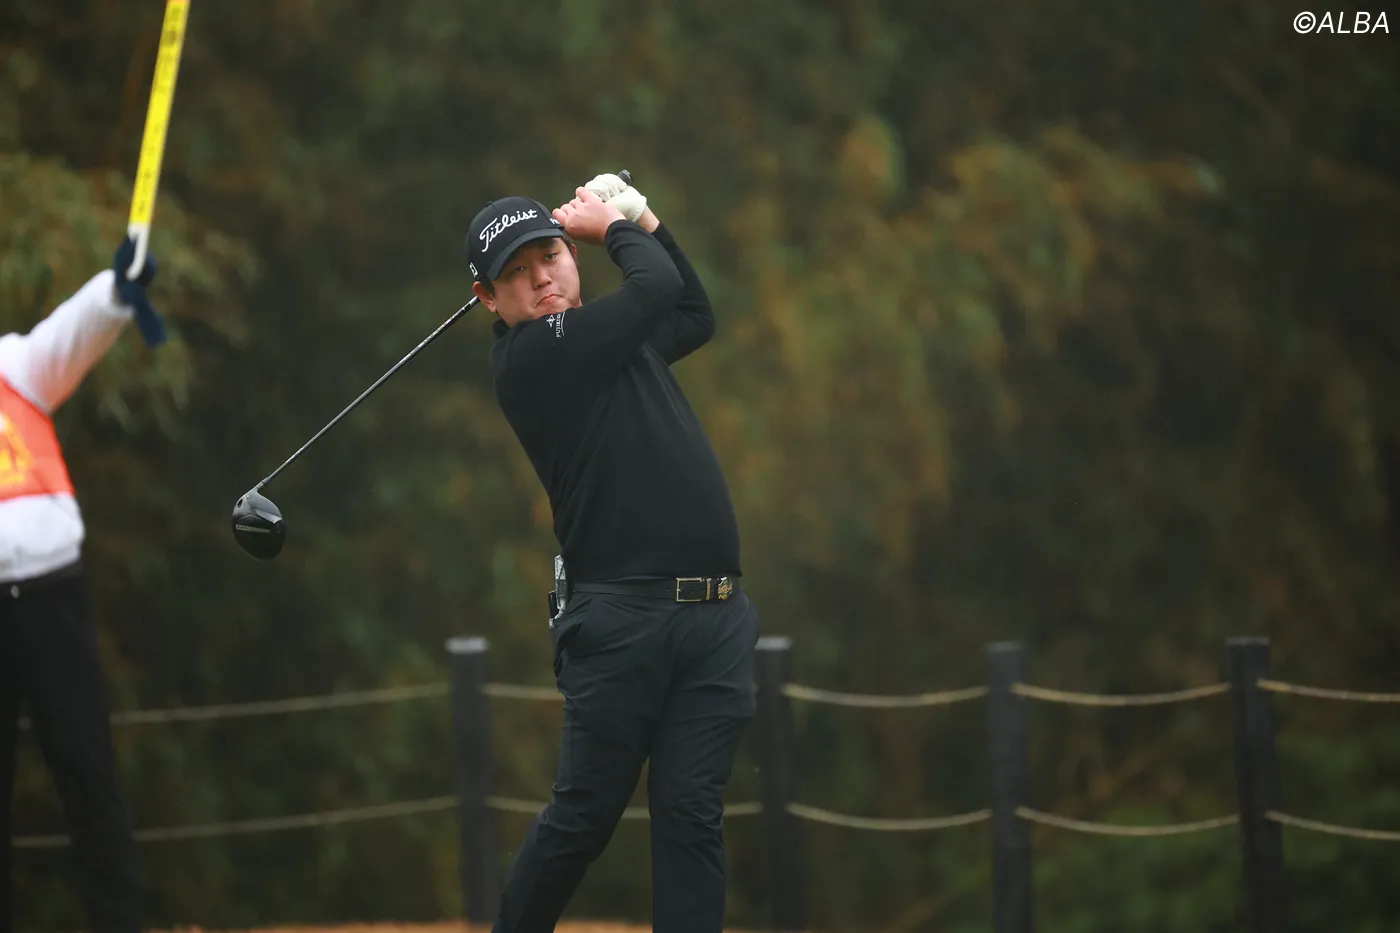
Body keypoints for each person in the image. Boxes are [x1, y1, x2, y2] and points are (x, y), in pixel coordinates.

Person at [467, 174, 760, 933]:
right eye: (516, 273)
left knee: (691, 815)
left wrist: (643, 216)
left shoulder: (606, 339)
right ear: (488, 299)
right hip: (621, 621)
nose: (542, 278)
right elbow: (654, 285)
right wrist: (614, 223)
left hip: (714, 619)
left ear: (570, 260)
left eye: (551, 256)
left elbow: (691, 311)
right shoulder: (534, 356)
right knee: (583, 817)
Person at [0, 237, 163, 933]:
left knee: (89, 772)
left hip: (52, 595)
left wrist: (116, 286)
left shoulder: (12, 366)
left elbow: (68, 336)